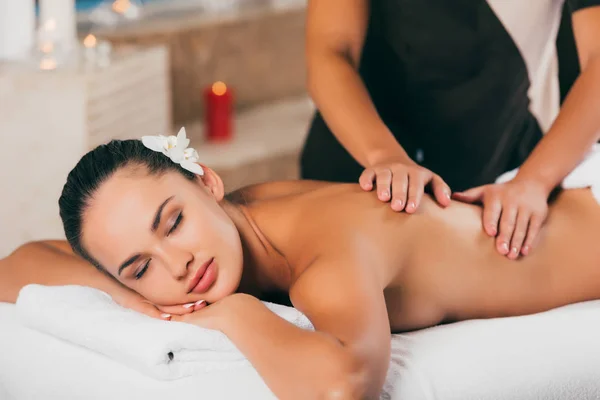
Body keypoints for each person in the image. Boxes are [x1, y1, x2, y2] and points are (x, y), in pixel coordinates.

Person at [1, 133, 600, 398]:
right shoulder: (244, 216)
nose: (178, 264)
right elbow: (18, 264)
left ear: (206, 181)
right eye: (138, 266)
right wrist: (141, 301)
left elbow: (341, 387)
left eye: (173, 221)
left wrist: (233, 314)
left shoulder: (325, 252)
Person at [301, 0, 600, 261]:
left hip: (494, 172)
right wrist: (385, 156)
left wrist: (534, 181)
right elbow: (332, 46)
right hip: (360, 157)